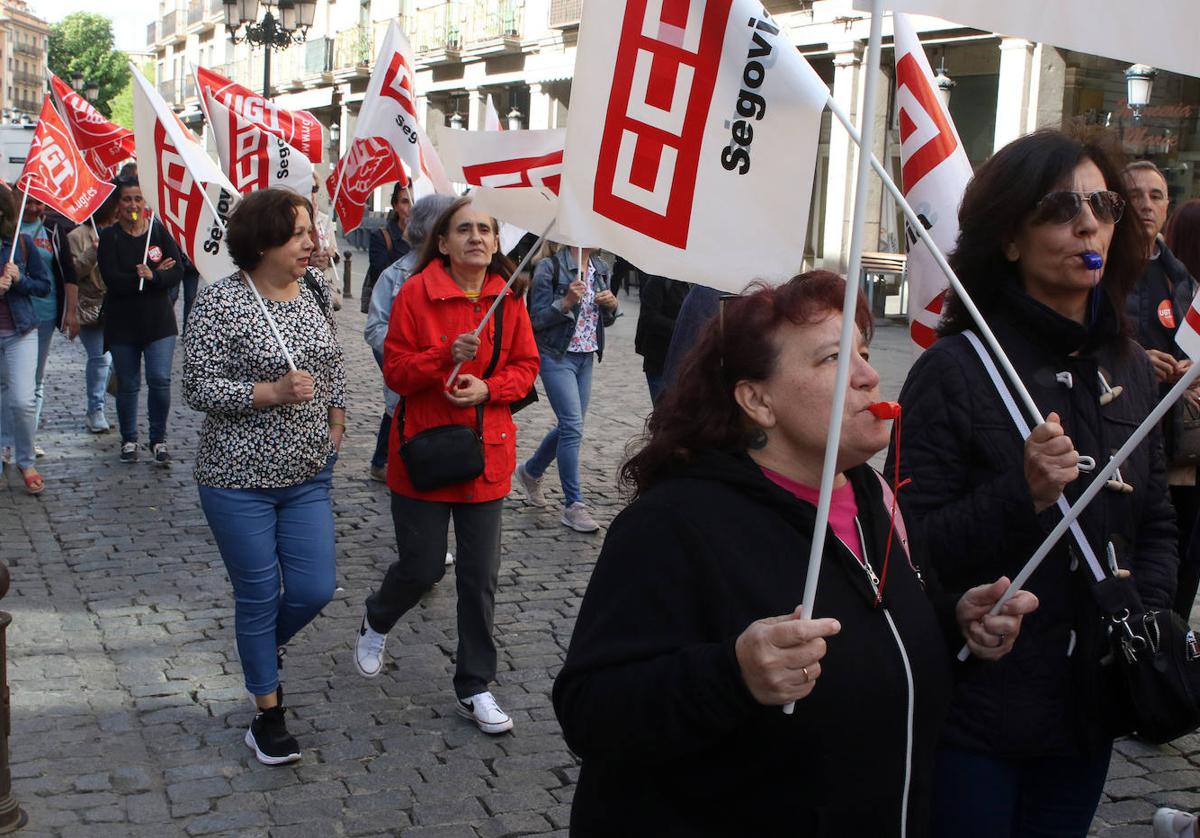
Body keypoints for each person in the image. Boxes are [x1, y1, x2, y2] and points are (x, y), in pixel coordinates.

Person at [553, 271, 1037, 835]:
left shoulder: (871, 497)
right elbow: (591, 710)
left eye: (862, 351)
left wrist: (954, 628)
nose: (870, 375)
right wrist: (732, 676)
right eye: (833, 358)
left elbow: (870, 639)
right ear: (757, 400)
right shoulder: (672, 523)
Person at [889, 129, 1177, 837]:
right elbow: (907, 543)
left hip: (1090, 705)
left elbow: (1160, 521)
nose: (1089, 224)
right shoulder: (955, 370)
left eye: (1102, 204)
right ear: (1010, 239)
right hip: (980, 711)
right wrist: (1020, 496)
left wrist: (1140, 614)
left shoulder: (1133, 368)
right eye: (1058, 207)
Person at [353, 196, 539, 735]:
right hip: (427, 456)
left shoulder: (508, 299)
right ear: (442, 242)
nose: (476, 237)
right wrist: (443, 356)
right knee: (423, 567)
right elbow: (397, 371)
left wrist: (488, 387)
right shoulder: (415, 293)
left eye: (485, 229)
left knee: (479, 579)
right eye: (464, 229)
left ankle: (475, 685)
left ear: (497, 242)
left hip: (487, 455)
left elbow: (526, 369)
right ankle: (377, 616)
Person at [183, 188, 344, 766]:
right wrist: (267, 393)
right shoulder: (222, 301)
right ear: (262, 241)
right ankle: (267, 715)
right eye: (297, 233)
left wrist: (338, 419)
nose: (310, 242)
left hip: (307, 474)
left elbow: (333, 362)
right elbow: (196, 387)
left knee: (314, 588)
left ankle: (259, 644)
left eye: (309, 231)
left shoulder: (317, 290)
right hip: (236, 478)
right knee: (256, 598)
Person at [1124, 161, 1200, 619]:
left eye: (1155, 196)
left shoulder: (1180, 277)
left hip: (1181, 451)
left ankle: (1170, 646)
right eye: (1136, 196)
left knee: (1179, 561)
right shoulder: (1101, 274)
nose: (1146, 206)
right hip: (1127, 444)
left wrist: (1193, 370)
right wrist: (1132, 359)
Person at [514, 243, 618, 533]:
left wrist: (612, 305)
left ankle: (530, 471)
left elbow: (604, 319)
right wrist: (566, 302)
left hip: (586, 355)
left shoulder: (601, 267)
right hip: (556, 355)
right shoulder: (549, 267)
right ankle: (574, 505)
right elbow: (534, 320)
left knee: (569, 427)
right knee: (572, 426)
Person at [363, 193, 455, 484]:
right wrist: (412, 349)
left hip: (447, 374)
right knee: (400, 412)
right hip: (410, 369)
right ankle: (390, 462)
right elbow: (375, 328)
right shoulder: (395, 275)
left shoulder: (462, 273)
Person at [97, 178, 183, 466]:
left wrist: (156, 276)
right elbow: (112, 279)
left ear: (145, 203)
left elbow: (176, 271)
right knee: (129, 383)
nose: (132, 205)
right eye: (126, 199)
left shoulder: (159, 233)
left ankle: (158, 439)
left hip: (158, 322)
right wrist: (142, 277)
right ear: (118, 204)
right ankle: (129, 439)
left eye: (137, 199)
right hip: (123, 324)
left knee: (160, 380)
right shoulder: (109, 238)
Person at [0, 194, 78, 462]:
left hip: (31, 321)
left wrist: (20, 280)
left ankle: (25, 446)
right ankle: (6, 445)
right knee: (5, 387)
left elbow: (55, 278)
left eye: (38, 202)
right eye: (28, 202)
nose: (33, 207)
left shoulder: (38, 235)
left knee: (30, 386)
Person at [0, 183, 51, 494]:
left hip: (20, 331)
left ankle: (25, 459)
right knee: (3, 394)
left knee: (21, 399)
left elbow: (43, 286)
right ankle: (3, 447)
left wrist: (19, 280)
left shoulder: (22, 242)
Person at [67, 190, 119, 433]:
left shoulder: (123, 230)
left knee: (117, 362)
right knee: (100, 358)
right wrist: (93, 252)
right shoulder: (78, 236)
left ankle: (110, 392)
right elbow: (73, 272)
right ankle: (95, 410)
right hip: (91, 307)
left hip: (120, 305)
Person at [632, 267, 690, 404]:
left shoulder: (689, 283)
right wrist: (680, 328)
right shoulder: (659, 280)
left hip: (683, 361)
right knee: (662, 414)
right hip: (659, 361)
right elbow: (649, 317)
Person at [362, 181, 411, 312]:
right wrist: (405, 241)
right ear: (395, 205)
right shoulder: (381, 236)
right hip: (390, 310)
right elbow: (380, 278)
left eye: (415, 201)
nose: (411, 207)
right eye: (405, 201)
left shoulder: (427, 238)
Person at [309, 176, 342, 311]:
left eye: (315, 189)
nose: (312, 193)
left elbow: (336, 254)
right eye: (308, 188)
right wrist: (310, 260)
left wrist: (331, 255)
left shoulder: (324, 219)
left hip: (324, 284)